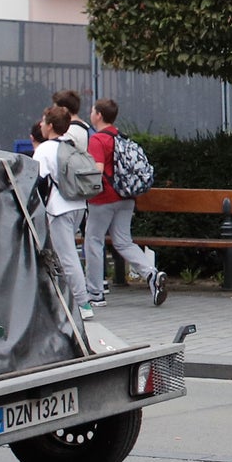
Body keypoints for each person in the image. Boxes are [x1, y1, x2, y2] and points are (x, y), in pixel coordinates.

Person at [83, 98, 167, 307]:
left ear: (99, 115)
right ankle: (151, 274)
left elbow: (98, 170)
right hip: (126, 197)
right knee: (123, 241)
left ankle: (95, 293)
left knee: (93, 241)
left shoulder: (97, 140)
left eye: (93, 110)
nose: (91, 113)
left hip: (103, 198)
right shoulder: (121, 137)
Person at [34, 106, 95, 321]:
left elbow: (38, 180)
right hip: (78, 204)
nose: (40, 125)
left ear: (50, 125)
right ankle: (67, 298)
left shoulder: (45, 149)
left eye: (43, 121)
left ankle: (82, 303)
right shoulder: (71, 145)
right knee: (66, 254)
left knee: (67, 256)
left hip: (59, 208)